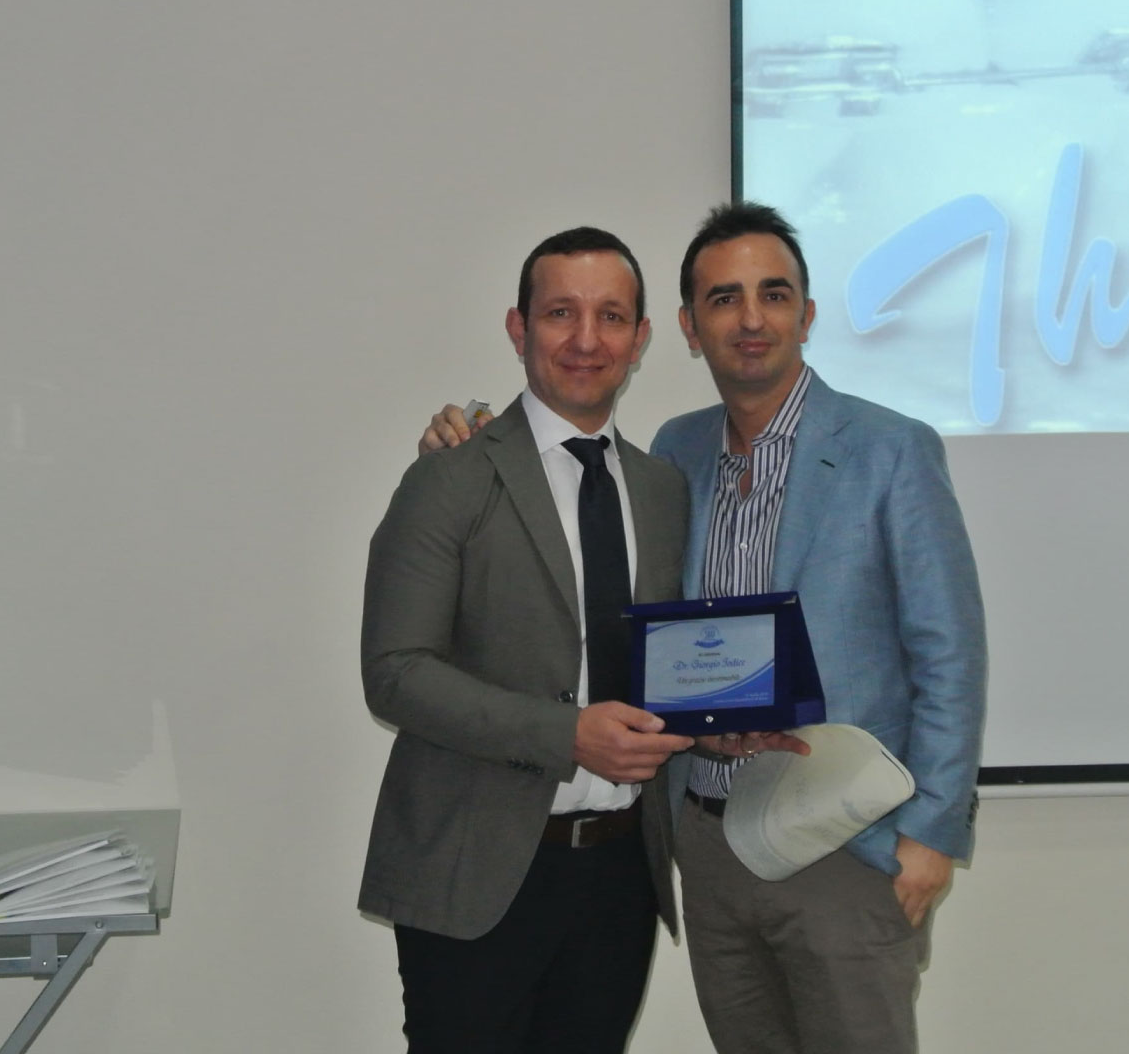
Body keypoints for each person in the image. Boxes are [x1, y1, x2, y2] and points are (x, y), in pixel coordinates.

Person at [420, 202, 987, 1054]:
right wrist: (462, 440)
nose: (751, 319)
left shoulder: (890, 450)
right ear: (688, 328)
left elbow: (950, 652)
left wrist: (931, 836)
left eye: (774, 294)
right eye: (725, 299)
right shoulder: (673, 455)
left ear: (807, 314)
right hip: (710, 846)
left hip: (844, 844)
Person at [360, 226, 696, 1054]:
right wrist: (566, 734)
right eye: (560, 313)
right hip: (474, 874)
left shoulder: (662, 490)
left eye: (611, 316)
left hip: (620, 875)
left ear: (640, 339)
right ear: (519, 329)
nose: (587, 339)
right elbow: (395, 672)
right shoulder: (450, 476)